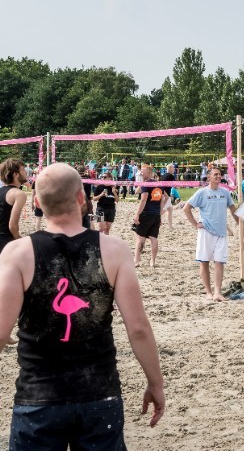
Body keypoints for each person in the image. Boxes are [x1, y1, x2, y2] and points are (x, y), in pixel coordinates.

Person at [0, 163, 165, 449]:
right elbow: (137, 328)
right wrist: (156, 383)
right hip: (99, 395)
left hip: (38, 396)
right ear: (82, 199)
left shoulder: (17, 253)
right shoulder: (114, 250)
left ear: (37, 203)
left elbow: (0, 333)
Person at [184, 167, 240, 301]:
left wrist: (243, 227)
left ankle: (217, 292)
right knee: (204, 261)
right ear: (209, 177)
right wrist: (196, 224)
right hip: (206, 231)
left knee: (220, 261)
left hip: (221, 232)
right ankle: (208, 292)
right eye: (215, 174)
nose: (218, 176)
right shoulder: (202, 192)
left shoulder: (225, 193)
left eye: (220, 174)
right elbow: (187, 208)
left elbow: (233, 210)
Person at [133, 163, 165, 268]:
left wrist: (137, 214)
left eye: (143, 170)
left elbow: (143, 199)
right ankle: (153, 261)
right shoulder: (158, 184)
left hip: (146, 214)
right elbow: (163, 200)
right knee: (153, 238)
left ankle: (137, 261)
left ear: (149, 171)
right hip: (156, 215)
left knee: (140, 239)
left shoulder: (147, 184)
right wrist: (160, 215)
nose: (141, 172)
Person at [0, 159, 29, 254]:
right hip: (6, 242)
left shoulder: (1, 191)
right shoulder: (19, 194)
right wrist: (20, 241)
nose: (26, 172)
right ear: (15, 174)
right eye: (23, 170)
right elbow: (13, 226)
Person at [160, 163, 177, 229]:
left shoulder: (163, 175)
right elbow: (175, 185)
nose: (174, 170)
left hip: (164, 194)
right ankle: (155, 220)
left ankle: (170, 226)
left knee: (170, 209)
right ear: (170, 168)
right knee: (161, 212)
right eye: (173, 168)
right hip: (166, 195)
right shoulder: (171, 176)